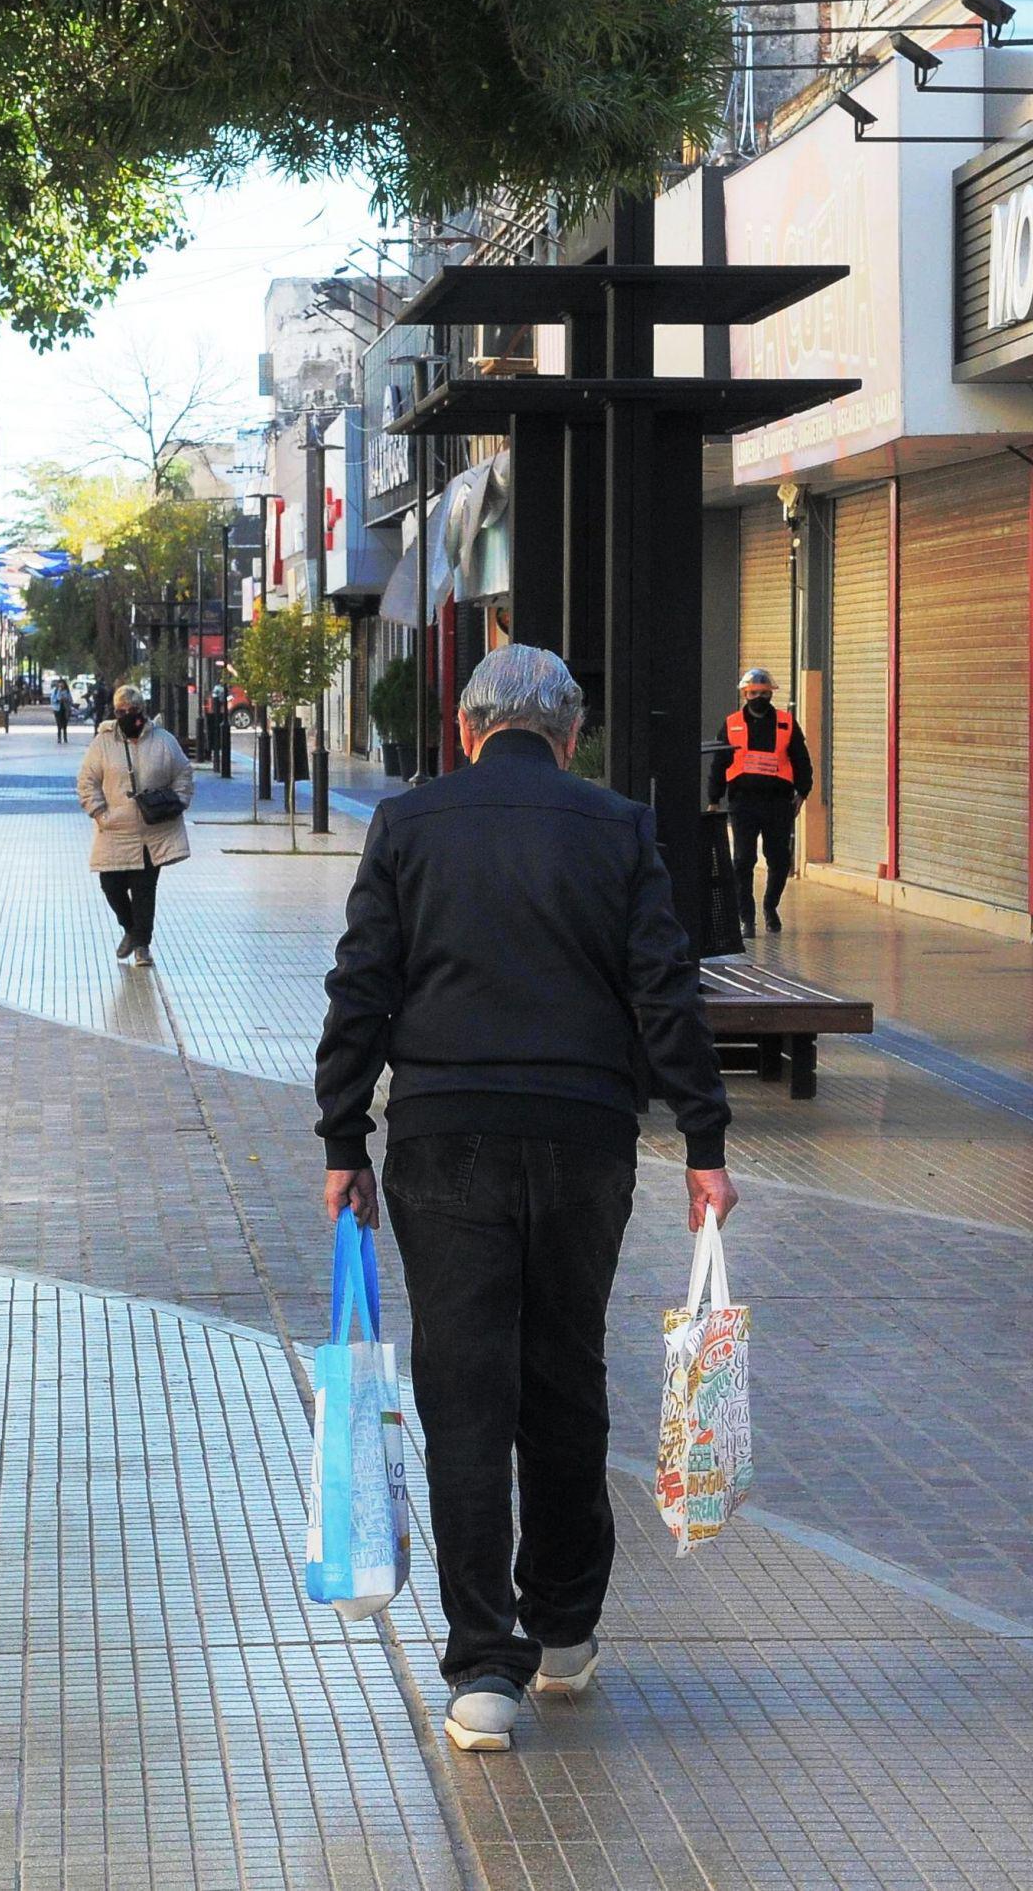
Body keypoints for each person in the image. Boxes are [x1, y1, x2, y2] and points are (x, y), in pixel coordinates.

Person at [315, 644, 735, 1755]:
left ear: (463, 729)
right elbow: (663, 985)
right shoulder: (617, 826)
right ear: (570, 732)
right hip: (586, 1135)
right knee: (564, 1371)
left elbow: (364, 983)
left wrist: (341, 1133)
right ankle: (562, 1633)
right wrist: (703, 1139)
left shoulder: (410, 826)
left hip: (444, 1135)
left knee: (464, 1390)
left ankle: (480, 1671)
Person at [76, 684, 194, 966]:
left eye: (133, 711)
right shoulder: (102, 744)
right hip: (114, 829)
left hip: (152, 832)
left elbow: (183, 773)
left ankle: (142, 945)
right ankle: (131, 930)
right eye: (121, 712)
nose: (128, 716)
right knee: (111, 885)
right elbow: (87, 781)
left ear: (142, 711)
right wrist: (99, 812)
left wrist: (178, 801)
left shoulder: (163, 741)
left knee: (144, 890)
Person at [707, 666, 814, 936]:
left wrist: (802, 792)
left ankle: (770, 907)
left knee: (778, 859)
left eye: (764, 693)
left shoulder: (786, 723)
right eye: (754, 692)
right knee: (742, 860)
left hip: (778, 803)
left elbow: (801, 759)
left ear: (771, 694)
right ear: (745, 694)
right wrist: (714, 798)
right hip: (743, 803)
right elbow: (720, 762)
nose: (759, 697)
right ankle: (746, 918)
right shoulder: (731, 723)